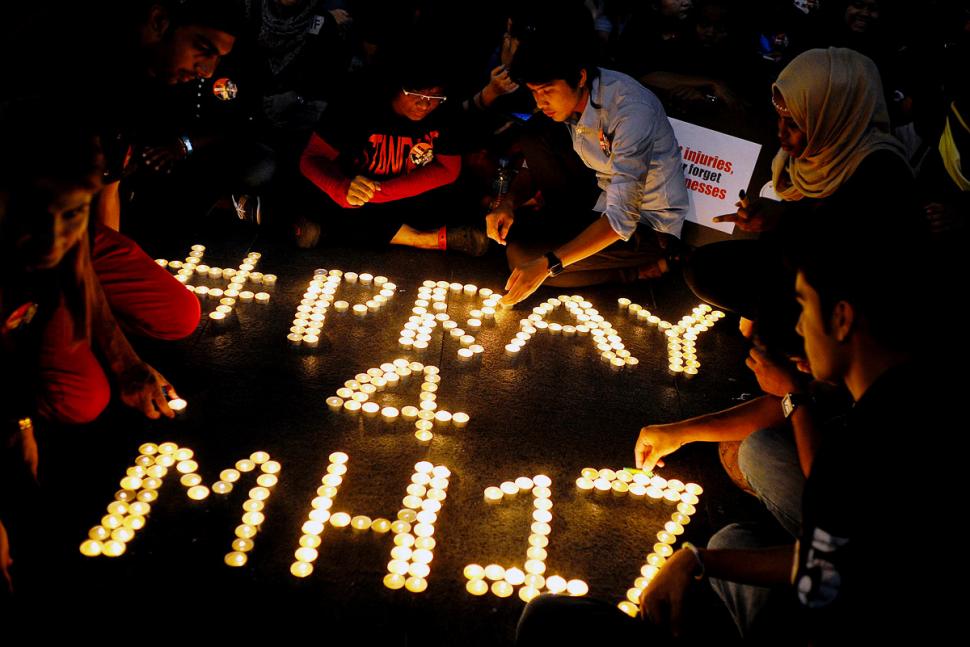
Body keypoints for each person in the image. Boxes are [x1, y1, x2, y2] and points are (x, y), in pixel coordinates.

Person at [517, 204, 952, 644]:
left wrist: (795, 397)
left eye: (804, 306)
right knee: (730, 532)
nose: (799, 326)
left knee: (546, 622)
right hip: (838, 567)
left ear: (841, 318)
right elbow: (832, 553)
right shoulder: (891, 385)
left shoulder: (879, 446)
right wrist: (697, 555)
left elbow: (828, 568)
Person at [0, 103, 183, 591]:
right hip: (17, 286)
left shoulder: (65, 212)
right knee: (81, 401)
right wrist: (18, 423)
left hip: (42, 275)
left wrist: (125, 358)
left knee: (179, 314)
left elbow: (78, 262)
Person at [685, 47, 915, 354]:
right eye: (780, 120)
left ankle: (804, 356)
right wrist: (771, 219)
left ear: (833, 117)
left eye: (794, 124)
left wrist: (783, 219)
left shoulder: (881, 171)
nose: (781, 134)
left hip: (848, 303)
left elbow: (852, 256)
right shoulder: (812, 153)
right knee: (704, 268)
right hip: (800, 268)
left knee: (771, 333)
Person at [493, 31, 689, 305]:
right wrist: (509, 202)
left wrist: (549, 264)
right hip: (599, 200)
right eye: (534, 92)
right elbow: (534, 156)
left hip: (647, 226)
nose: (540, 102)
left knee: (526, 260)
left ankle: (642, 268)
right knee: (534, 133)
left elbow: (622, 218)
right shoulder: (567, 102)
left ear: (580, 77)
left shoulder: (631, 112)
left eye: (547, 91)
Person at [295, 51, 488, 254]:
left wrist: (381, 193)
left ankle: (334, 233)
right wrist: (342, 189)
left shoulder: (446, 109)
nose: (424, 104)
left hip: (402, 195)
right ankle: (425, 239)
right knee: (316, 198)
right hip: (353, 192)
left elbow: (448, 169)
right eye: (416, 93)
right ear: (395, 86)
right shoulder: (357, 100)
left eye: (434, 96)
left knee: (464, 196)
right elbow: (311, 158)